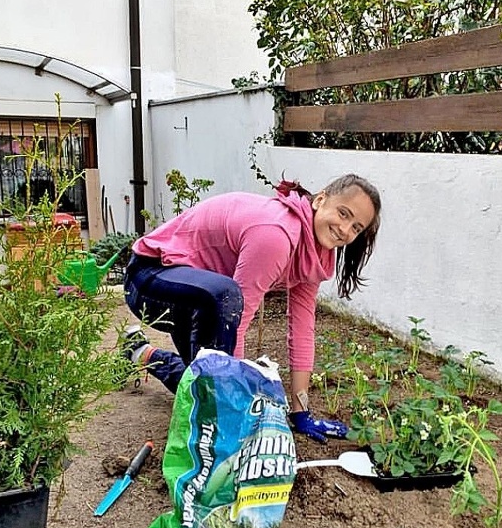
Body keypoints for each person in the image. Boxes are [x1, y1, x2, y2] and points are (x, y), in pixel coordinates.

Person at [122, 173, 382, 443]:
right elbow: (237, 319)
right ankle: (222, 415)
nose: (345, 229)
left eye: (356, 227)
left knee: (204, 389)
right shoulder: (277, 235)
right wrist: (236, 406)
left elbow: (302, 329)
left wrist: (301, 411)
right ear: (320, 200)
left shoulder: (313, 255)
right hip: (149, 280)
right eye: (343, 213)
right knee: (223, 392)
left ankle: (141, 352)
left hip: (197, 298)